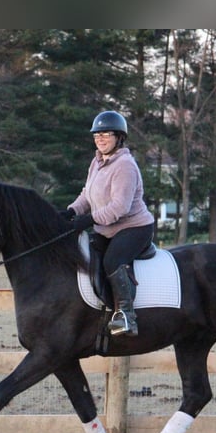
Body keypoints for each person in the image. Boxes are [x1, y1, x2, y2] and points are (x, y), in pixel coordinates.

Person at [61, 110, 155, 337]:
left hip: (133, 228)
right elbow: (87, 195)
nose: (100, 139)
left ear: (119, 137)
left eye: (105, 134)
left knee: (113, 260)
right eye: (97, 135)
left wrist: (89, 219)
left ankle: (126, 315)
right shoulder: (97, 162)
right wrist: (71, 211)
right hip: (107, 229)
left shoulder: (125, 166)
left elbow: (119, 207)